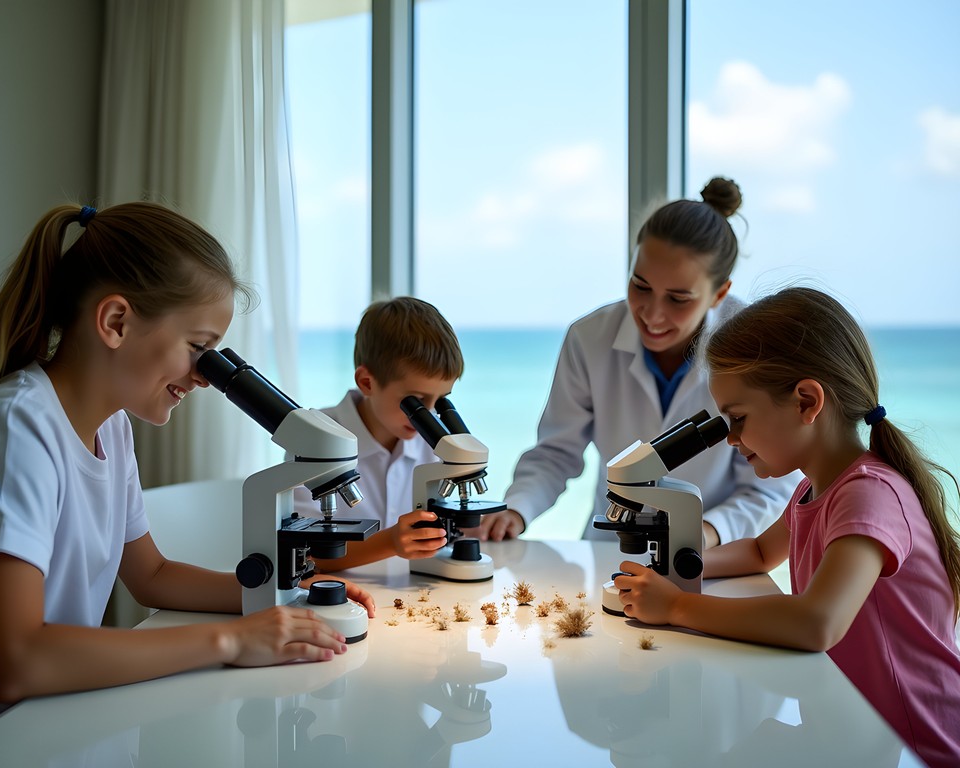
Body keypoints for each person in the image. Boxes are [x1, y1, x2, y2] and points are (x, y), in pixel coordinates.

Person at [0, 202, 375, 748]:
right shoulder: (14, 429)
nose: (207, 378)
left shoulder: (111, 428)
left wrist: (293, 593)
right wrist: (231, 640)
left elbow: (152, 575)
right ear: (116, 322)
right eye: (199, 350)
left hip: (54, 720)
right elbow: (15, 661)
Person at [616, 286, 960, 767]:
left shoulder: (868, 494)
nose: (731, 439)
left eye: (737, 419)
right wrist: (673, 567)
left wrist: (677, 606)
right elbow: (758, 553)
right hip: (846, 734)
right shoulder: (813, 490)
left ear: (805, 401)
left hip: (913, 748)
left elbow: (816, 623)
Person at [475, 177, 799, 544]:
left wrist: (703, 534)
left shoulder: (755, 348)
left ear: (719, 293)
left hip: (715, 556)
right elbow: (556, 452)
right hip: (608, 550)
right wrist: (516, 509)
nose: (652, 315)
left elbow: (771, 486)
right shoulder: (589, 338)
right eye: (640, 286)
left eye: (678, 299)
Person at [293, 297, 466, 570]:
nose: (429, 415)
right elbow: (302, 556)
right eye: (416, 402)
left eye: (441, 400)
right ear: (367, 382)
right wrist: (391, 543)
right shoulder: (314, 438)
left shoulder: (430, 444)